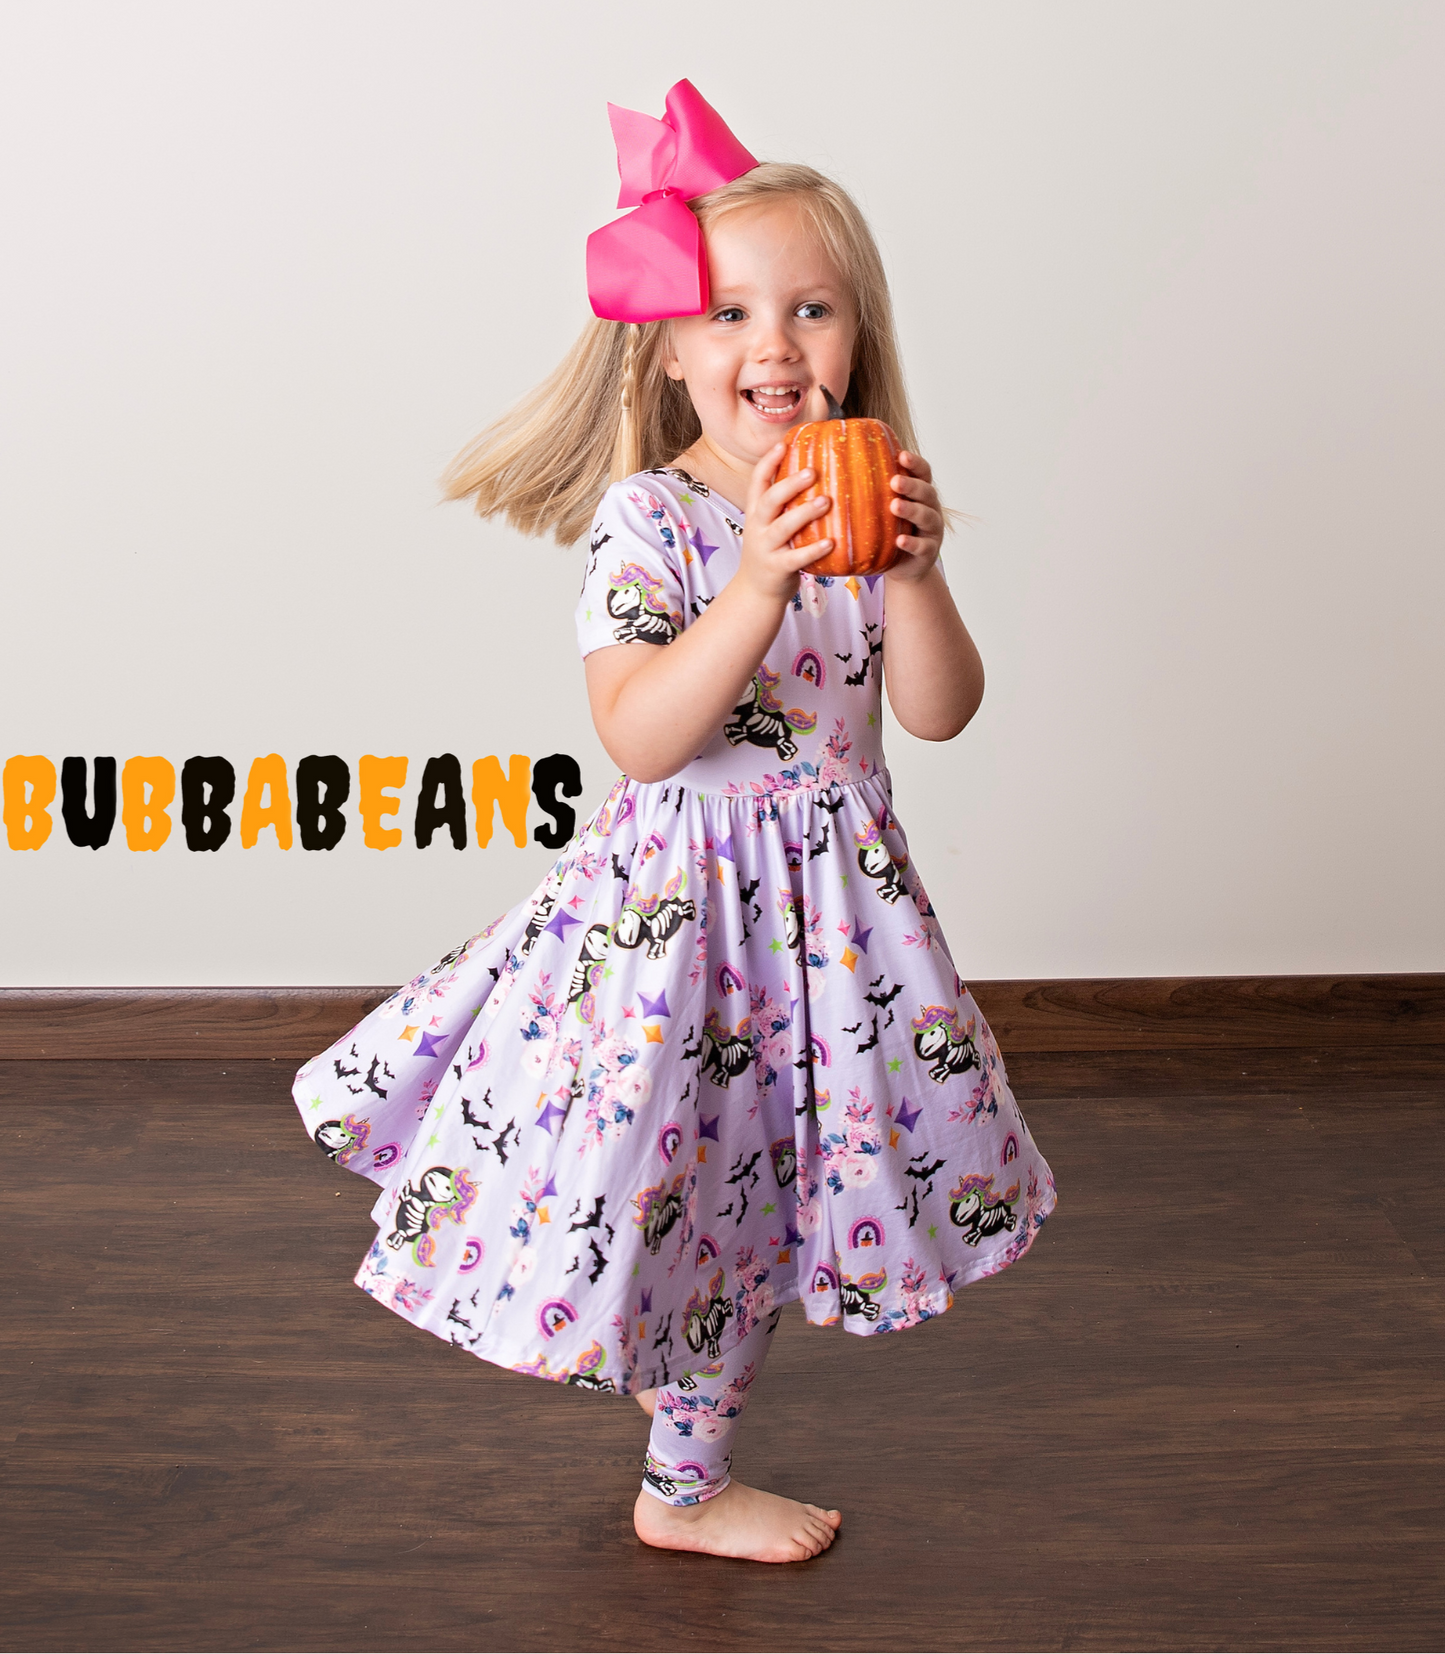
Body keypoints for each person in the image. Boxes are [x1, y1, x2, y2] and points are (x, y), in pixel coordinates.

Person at [292, 80, 1056, 1565]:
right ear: (670, 351)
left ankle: (684, 1451)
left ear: (856, 339)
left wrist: (913, 572)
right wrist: (760, 581)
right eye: (730, 314)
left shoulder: (871, 506)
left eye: (812, 310)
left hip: (836, 937)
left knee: (765, 1193)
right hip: (677, 936)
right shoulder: (654, 520)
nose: (775, 344)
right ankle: (684, 1487)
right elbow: (644, 735)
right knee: (689, 1193)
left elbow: (941, 710)